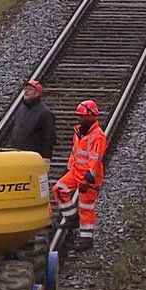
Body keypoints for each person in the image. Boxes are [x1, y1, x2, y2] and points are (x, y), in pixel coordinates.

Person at [51, 99, 107, 252]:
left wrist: (88, 180)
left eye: (82, 116)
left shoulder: (98, 136)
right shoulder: (79, 133)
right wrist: (68, 169)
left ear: (91, 116)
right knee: (58, 190)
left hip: (88, 178)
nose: (80, 119)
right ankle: (71, 217)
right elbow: (75, 153)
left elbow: (95, 159)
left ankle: (86, 238)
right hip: (75, 172)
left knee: (86, 207)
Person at [9, 79, 55, 159]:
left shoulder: (45, 113)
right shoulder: (20, 109)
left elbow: (49, 137)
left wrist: (46, 158)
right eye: (25, 89)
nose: (26, 91)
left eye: (30, 89)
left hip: (33, 158)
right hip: (16, 155)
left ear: (37, 93)